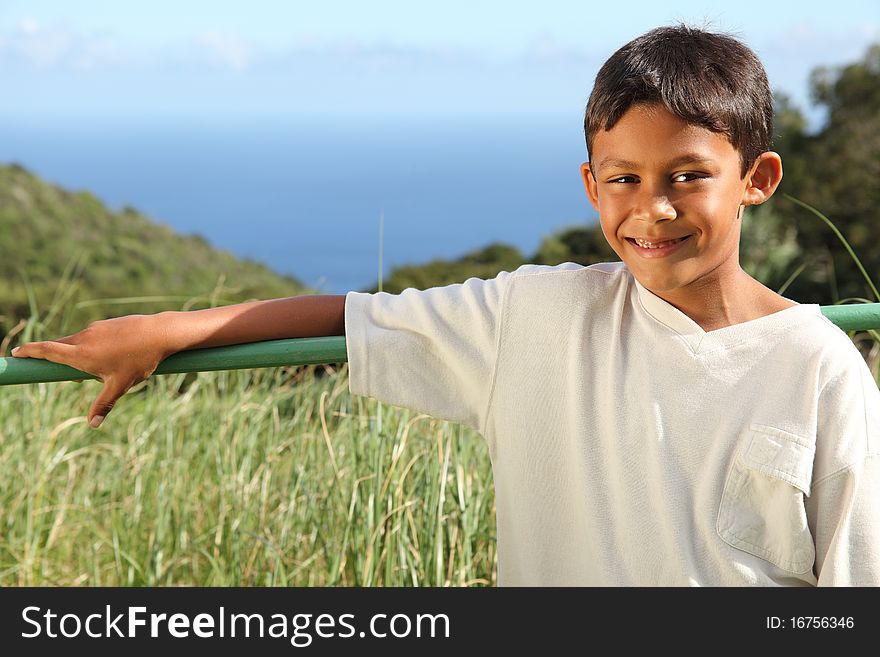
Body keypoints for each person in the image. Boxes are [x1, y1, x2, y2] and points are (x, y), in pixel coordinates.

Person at [12, 25, 879, 586]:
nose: (651, 208)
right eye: (624, 179)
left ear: (756, 180)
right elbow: (352, 320)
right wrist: (169, 331)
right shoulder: (533, 317)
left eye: (688, 176)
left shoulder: (821, 370)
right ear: (590, 186)